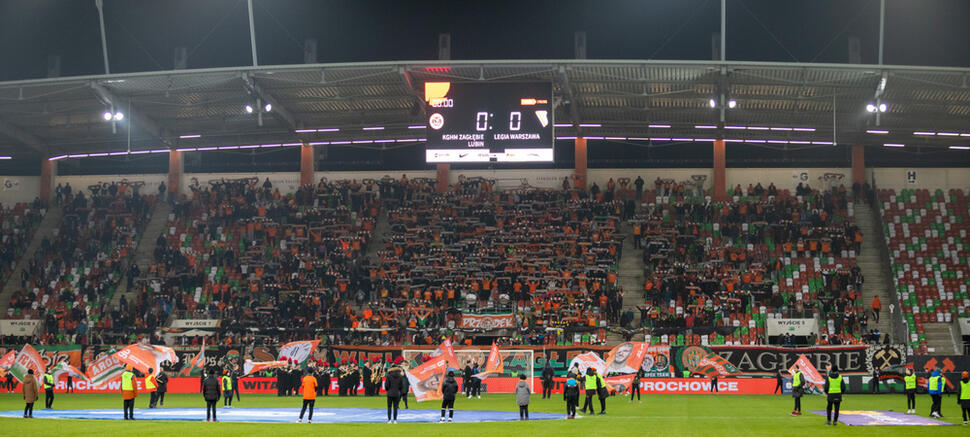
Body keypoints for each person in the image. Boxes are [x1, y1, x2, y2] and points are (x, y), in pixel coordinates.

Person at [384, 357, 406, 424]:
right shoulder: (400, 376)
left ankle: (389, 420)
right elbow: (401, 386)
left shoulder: (389, 376)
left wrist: (388, 390)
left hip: (390, 393)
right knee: (395, 407)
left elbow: (386, 385)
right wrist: (398, 390)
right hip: (397, 393)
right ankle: (395, 420)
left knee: (389, 407)